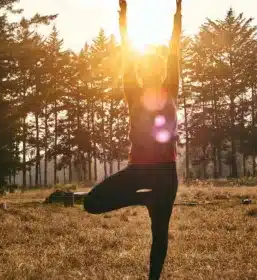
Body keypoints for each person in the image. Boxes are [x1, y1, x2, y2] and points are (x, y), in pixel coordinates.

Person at [83, 0, 182, 279]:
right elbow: (128, 54)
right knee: (91, 203)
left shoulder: (169, 87)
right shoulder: (134, 91)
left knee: (160, 234)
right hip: (142, 172)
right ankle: (143, 201)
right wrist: (123, 18)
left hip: (160, 173)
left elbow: (174, 51)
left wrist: (178, 14)